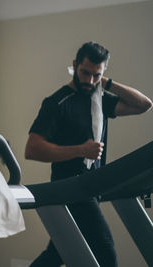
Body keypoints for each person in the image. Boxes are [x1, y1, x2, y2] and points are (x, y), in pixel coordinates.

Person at [25, 41, 152, 267]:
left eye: (97, 75)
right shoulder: (57, 103)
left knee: (57, 254)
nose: (90, 81)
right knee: (106, 253)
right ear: (75, 65)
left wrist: (107, 83)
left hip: (91, 187)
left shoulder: (99, 98)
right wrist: (80, 150)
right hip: (70, 188)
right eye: (85, 73)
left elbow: (143, 105)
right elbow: (32, 149)